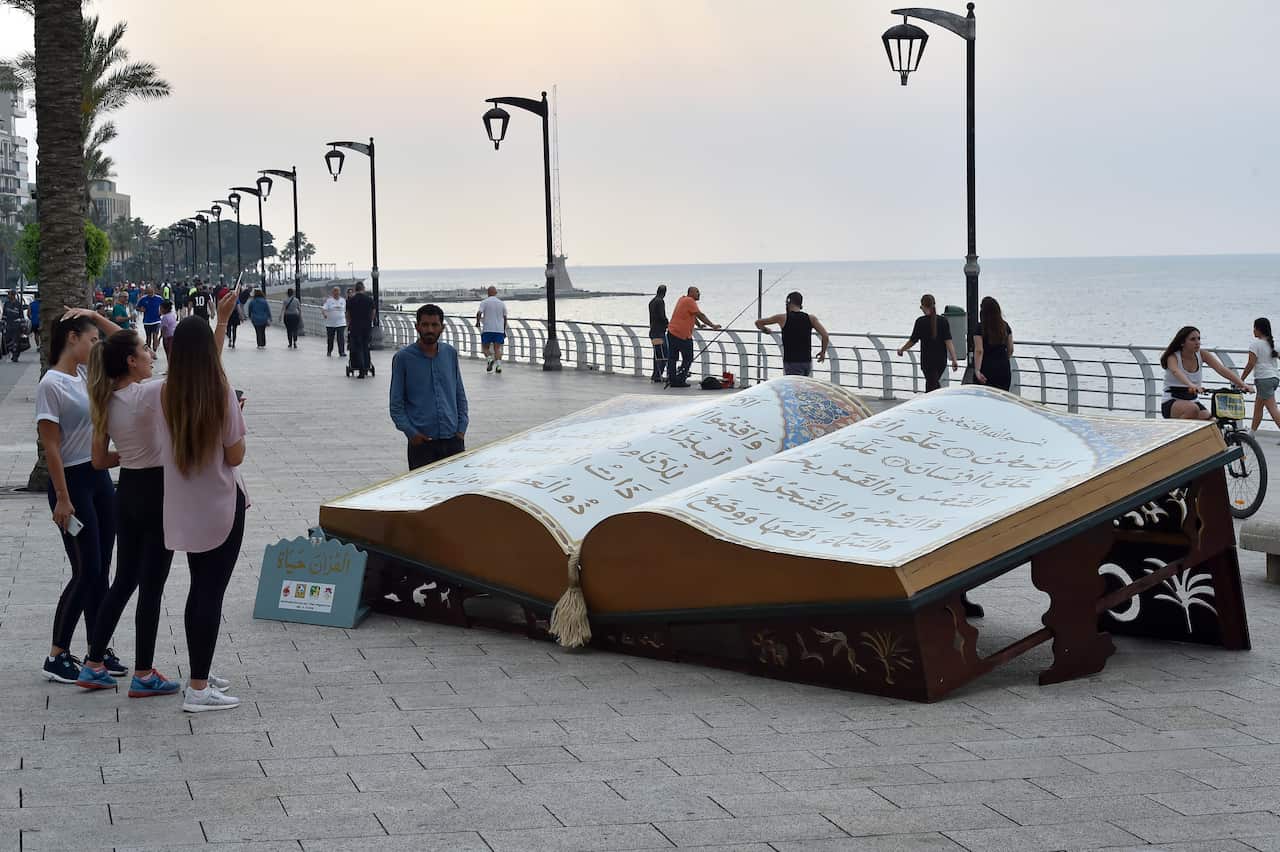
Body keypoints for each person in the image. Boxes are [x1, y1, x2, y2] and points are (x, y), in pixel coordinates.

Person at [77, 328, 180, 696]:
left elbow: (99, 460)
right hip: (156, 490)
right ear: (131, 362)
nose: (152, 355)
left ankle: (92, 663)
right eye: (144, 351)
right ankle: (144, 673)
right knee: (151, 587)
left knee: (124, 581)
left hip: (128, 491)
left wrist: (130, 453)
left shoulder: (105, 400)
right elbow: (198, 370)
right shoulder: (147, 393)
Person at [161, 295, 247, 712]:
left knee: (198, 589)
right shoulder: (221, 393)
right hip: (221, 506)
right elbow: (236, 455)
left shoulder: (162, 394)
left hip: (185, 509)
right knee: (211, 595)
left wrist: (221, 320)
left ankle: (200, 670)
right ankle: (198, 689)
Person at [36, 307, 128, 684]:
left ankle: (97, 649)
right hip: (71, 484)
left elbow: (125, 343)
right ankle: (58, 654)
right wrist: (61, 496)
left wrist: (93, 314)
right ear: (71, 339)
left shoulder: (84, 375)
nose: (96, 346)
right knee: (86, 569)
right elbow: (51, 448)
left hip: (100, 479)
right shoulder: (51, 384)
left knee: (102, 568)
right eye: (91, 340)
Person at [390, 304, 468, 470]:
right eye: (425, 325)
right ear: (417, 326)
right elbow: (396, 404)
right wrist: (411, 433)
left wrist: (461, 429)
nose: (429, 329)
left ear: (442, 327)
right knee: (424, 494)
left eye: (434, 325)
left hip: (453, 440)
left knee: (456, 493)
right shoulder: (403, 358)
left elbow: (459, 394)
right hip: (422, 443)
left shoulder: (450, 354)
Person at [1160, 326, 1252, 420]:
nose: (1197, 342)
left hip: (1192, 400)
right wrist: (1191, 385)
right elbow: (1176, 371)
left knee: (1212, 423)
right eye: (1192, 339)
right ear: (1182, 343)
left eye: (1199, 339)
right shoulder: (1173, 357)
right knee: (1192, 410)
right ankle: (1179, 434)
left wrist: (1242, 384)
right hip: (1172, 401)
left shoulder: (1202, 354)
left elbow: (1221, 369)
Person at [755, 291, 830, 377]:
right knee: (803, 386)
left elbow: (758, 323)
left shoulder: (782, 318)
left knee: (794, 388)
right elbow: (825, 336)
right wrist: (823, 352)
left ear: (788, 302)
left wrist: (765, 330)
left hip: (791, 362)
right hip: (806, 362)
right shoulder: (811, 318)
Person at [897, 293, 959, 392]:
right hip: (941, 361)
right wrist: (954, 359)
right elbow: (948, 341)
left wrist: (902, 349)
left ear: (922, 306)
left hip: (927, 360)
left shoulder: (920, 322)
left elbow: (913, 341)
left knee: (931, 385)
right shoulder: (943, 321)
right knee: (933, 384)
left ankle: (935, 403)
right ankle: (935, 402)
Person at [666, 286, 720, 388]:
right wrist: (713, 325)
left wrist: (699, 325)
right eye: (697, 292)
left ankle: (672, 379)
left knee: (672, 358)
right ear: (691, 293)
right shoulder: (690, 301)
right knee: (688, 358)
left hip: (672, 332)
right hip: (682, 335)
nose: (699, 294)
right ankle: (680, 379)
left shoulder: (682, 299)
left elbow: (692, 314)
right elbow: (700, 314)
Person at [1241, 318, 1280, 434]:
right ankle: (1252, 433)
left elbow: (1251, 363)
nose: (1253, 331)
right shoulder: (1273, 344)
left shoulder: (1255, 345)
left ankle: (1252, 433)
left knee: (1272, 409)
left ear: (1258, 329)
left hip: (1263, 379)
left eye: (1254, 328)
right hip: (1274, 378)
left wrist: (1241, 379)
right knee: (1258, 407)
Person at [974, 296, 1014, 391]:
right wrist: (1004, 359)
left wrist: (977, 370)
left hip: (986, 368)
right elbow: (1011, 349)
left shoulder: (980, 328)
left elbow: (979, 350)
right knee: (1002, 398)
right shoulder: (1005, 326)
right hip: (1003, 368)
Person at [476, 286, 508, 373]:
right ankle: (498, 366)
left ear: (488, 293)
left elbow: (479, 313)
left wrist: (478, 322)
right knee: (497, 349)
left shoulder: (484, 302)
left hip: (487, 329)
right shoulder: (501, 303)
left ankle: (490, 359)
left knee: (485, 347)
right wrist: (503, 329)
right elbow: (505, 317)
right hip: (499, 330)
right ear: (496, 293)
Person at [346, 281, 375, 378]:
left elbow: (348, 315)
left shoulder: (351, 300)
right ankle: (367, 365)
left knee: (357, 347)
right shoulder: (369, 299)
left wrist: (349, 324)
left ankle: (361, 368)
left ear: (355, 289)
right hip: (366, 327)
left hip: (355, 327)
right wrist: (369, 321)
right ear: (363, 288)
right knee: (366, 346)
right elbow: (373, 312)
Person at [648, 285, 668, 383]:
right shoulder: (660, 301)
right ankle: (657, 375)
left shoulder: (652, 301)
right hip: (659, 332)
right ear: (664, 292)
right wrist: (668, 323)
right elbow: (662, 316)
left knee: (657, 354)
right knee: (664, 354)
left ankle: (655, 374)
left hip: (653, 331)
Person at [136, 285, 164, 352]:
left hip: (156, 320)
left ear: (154, 291)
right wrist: (140, 309)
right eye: (148, 293)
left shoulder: (159, 298)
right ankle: (149, 351)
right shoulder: (143, 299)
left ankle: (154, 350)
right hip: (147, 321)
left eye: (151, 292)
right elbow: (137, 307)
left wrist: (161, 311)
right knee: (148, 338)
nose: (150, 294)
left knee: (155, 336)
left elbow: (164, 306)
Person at [322, 286, 346, 357]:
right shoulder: (329, 301)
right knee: (330, 339)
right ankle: (329, 351)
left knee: (341, 338)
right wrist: (324, 314)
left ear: (339, 292)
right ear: (333, 292)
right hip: (330, 324)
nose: (336, 292)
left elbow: (345, 310)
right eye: (335, 291)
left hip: (341, 323)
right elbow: (323, 309)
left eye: (337, 291)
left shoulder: (343, 300)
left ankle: (341, 352)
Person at [2, 289, 24, 362]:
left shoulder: (18, 304)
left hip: (16, 326)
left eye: (9, 294)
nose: (8, 296)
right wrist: (3, 322)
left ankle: (15, 356)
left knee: (16, 341)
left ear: (13, 295)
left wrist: (21, 322)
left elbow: (21, 316)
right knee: (8, 341)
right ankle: (12, 352)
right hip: (8, 325)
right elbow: (4, 315)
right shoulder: (6, 304)